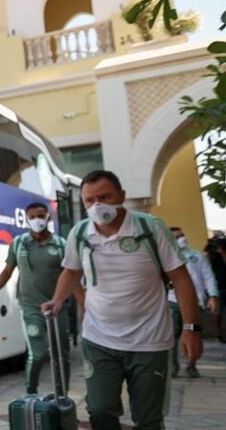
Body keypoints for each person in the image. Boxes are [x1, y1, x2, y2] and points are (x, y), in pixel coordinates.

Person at [42, 170, 203, 430]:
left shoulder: (150, 228)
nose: (97, 206)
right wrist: (57, 300)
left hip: (150, 342)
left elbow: (181, 278)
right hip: (99, 339)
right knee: (100, 411)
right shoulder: (80, 233)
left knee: (148, 418)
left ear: (122, 196)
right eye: (89, 200)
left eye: (104, 197)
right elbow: (71, 270)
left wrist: (191, 328)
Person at [0, 202, 84, 394]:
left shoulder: (61, 245)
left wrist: (83, 305)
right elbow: (7, 271)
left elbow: (71, 278)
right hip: (30, 307)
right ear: (26, 219)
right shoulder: (19, 243)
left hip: (57, 307)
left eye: (40, 215)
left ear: (48, 217)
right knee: (37, 354)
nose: (36, 220)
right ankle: (31, 393)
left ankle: (62, 395)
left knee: (61, 356)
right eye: (32, 217)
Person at [168, 227, 219, 378]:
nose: (181, 239)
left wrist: (213, 295)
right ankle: (173, 366)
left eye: (182, 235)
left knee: (194, 333)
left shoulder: (197, 256)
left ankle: (192, 365)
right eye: (176, 237)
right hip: (172, 301)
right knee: (171, 335)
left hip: (195, 302)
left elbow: (208, 277)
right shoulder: (167, 256)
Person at [206, 237, 226, 343]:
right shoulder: (213, 256)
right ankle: (218, 335)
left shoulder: (222, 255)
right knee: (217, 313)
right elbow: (207, 262)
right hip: (218, 289)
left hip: (222, 287)